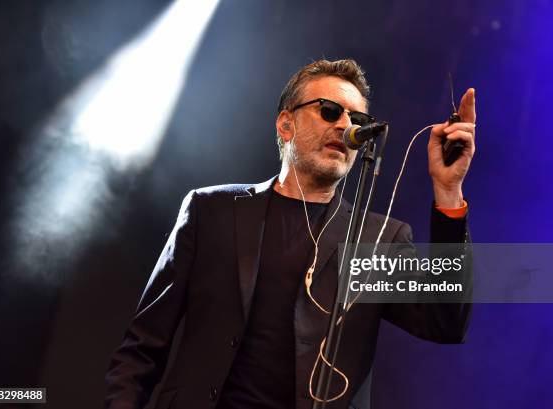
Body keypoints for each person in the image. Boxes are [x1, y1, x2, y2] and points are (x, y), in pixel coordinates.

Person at [105, 59, 475, 409]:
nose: (345, 127)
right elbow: (142, 346)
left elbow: (445, 321)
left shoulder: (380, 238)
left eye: (357, 118)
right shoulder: (210, 210)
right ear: (286, 124)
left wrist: (448, 191)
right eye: (330, 110)